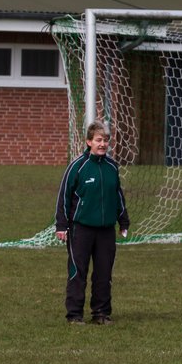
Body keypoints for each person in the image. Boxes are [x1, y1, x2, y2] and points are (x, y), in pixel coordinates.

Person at [54, 121, 130, 325]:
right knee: (78, 272)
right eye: (98, 140)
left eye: (105, 140)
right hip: (81, 229)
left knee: (104, 273)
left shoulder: (112, 167)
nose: (102, 144)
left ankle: (101, 313)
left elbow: (118, 196)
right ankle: (74, 315)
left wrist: (123, 220)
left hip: (105, 230)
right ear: (89, 142)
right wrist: (61, 226)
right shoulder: (77, 167)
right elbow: (64, 196)